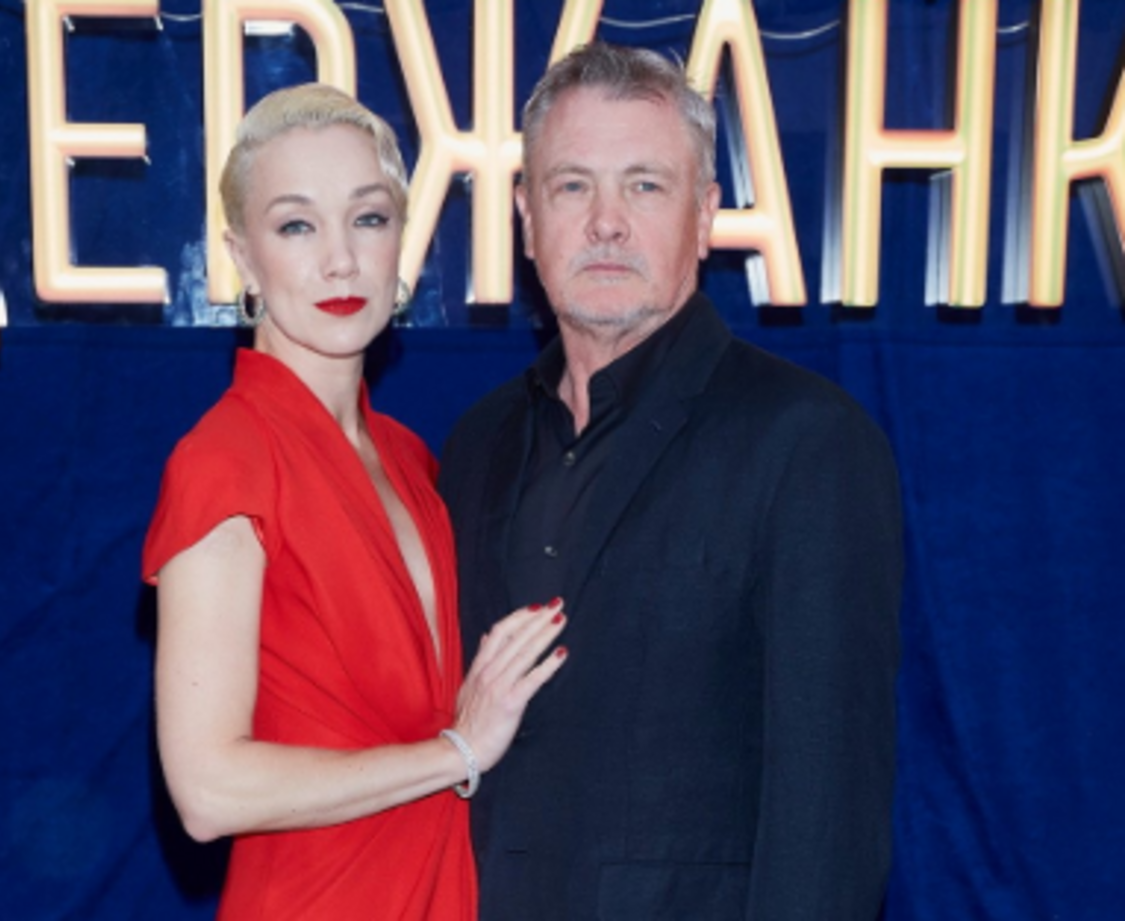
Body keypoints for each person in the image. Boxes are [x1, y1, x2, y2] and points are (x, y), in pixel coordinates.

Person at [438, 43, 904, 920]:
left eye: (645, 185)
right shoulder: (474, 447)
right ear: (527, 218)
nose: (606, 223)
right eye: (573, 186)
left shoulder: (808, 442)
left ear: (705, 215)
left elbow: (828, 822)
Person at [141, 83, 567, 921]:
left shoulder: (410, 459)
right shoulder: (225, 462)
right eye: (296, 226)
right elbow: (208, 789)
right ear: (241, 256)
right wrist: (458, 750)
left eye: (367, 218)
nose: (340, 260)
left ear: (401, 239)